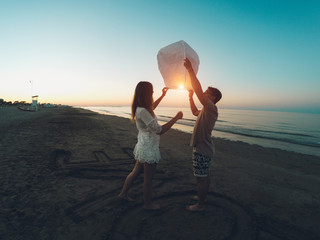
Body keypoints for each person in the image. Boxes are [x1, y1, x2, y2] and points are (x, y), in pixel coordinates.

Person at [118, 81, 183, 210]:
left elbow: (151, 108)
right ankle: (148, 204)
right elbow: (159, 130)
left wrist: (163, 96)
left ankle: (122, 194)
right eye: (152, 91)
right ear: (147, 93)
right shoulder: (143, 111)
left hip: (143, 143)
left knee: (136, 172)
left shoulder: (141, 108)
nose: (153, 93)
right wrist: (175, 118)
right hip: (148, 147)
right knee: (148, 178)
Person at [184, 58, 222, 211]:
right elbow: (194, 112)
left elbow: (199, 90)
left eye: (207, 92)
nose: (204, 93)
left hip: (203, 149)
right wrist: (190, 97)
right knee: (203, 176)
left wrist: (190, 70)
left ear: (212, 98)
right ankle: (202, 196)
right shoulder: (206, 110)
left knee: (201, 178)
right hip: (203, 148)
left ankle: (200, 204)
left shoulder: (211, 108)